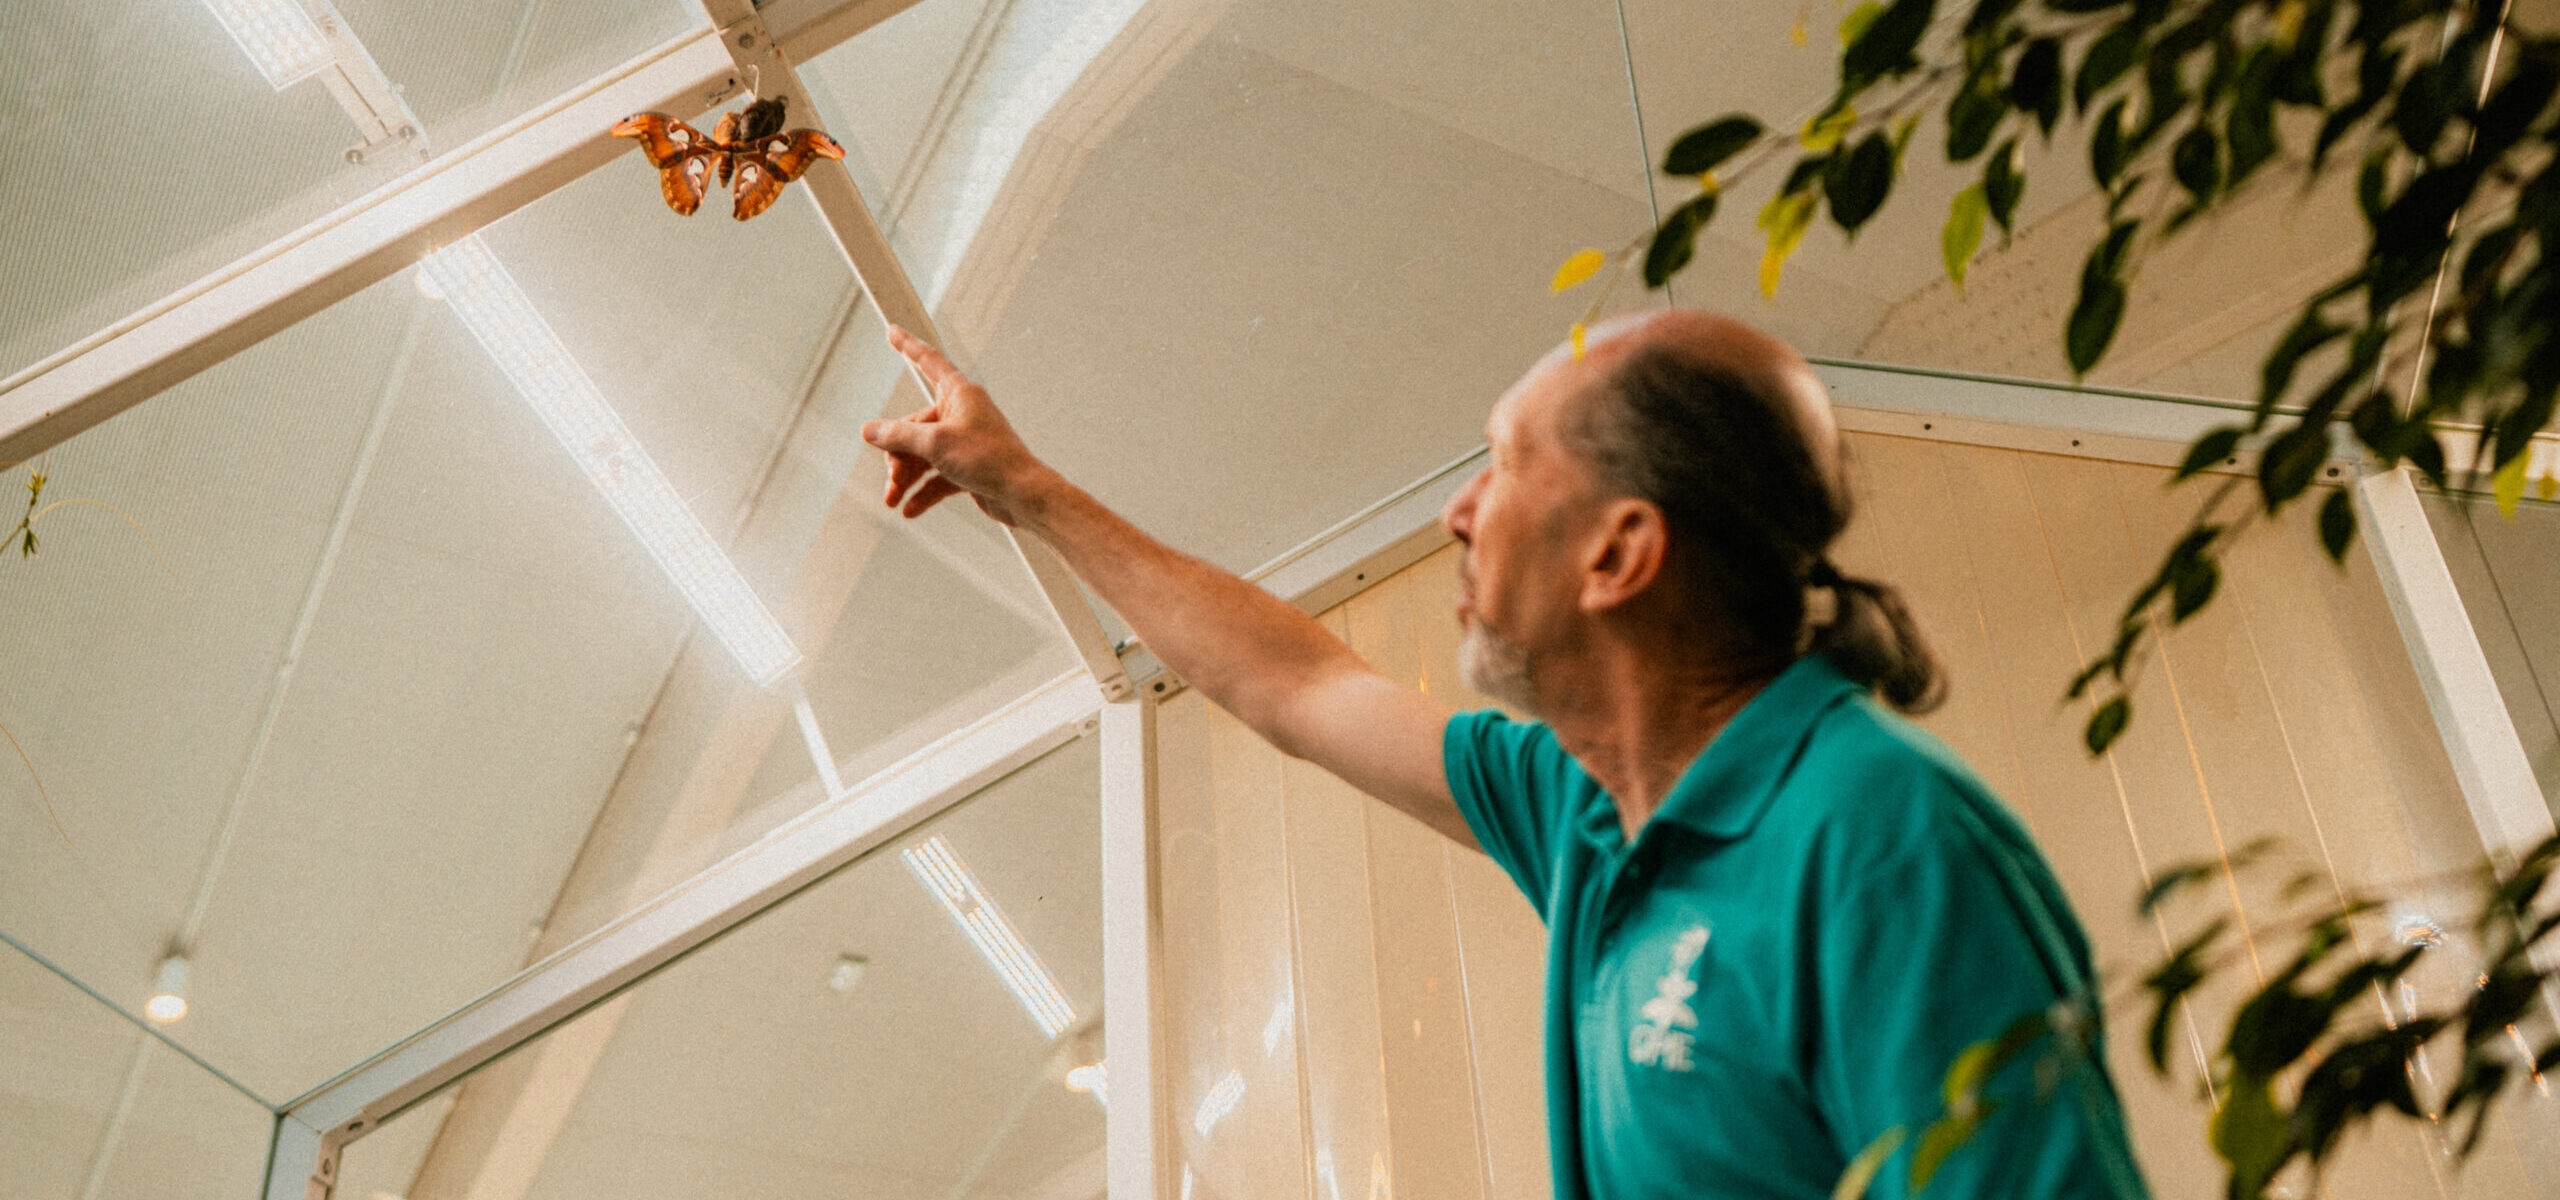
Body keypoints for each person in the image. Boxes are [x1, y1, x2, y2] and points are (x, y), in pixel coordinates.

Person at [863, 309, 2150, 1200]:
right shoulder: (1588, 815)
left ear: (1617, 552)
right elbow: (1295, 682)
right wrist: (1018, 482)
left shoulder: (1879, 841)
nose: (1458, 511)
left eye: (1502, 464)